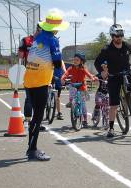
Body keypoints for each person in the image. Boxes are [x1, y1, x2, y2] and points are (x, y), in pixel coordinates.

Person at [24, 12, 69, 161]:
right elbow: (57, 62)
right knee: (38, 116)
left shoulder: (38, 38)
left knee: (36, 116)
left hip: (29, 80)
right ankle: (32, 149)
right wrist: (62, 76)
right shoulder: (52, 40)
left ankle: (32, 147)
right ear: (55, 28)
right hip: (40, 82)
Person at [94, 24, 131, 138]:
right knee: (114, 104)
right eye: (117, 35)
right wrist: (102, 71)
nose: (119, 37)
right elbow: (97, 62)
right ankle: (112, 128)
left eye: (121, 35)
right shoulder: (107, 49)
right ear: (112, 36)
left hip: (127, 73)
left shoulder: (127, 46)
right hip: (113, 76)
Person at [61, 53, 97, 128]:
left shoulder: (83, 68)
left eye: (77, 60)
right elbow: (66, 74)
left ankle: (85, 121)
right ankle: (72, 103)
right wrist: (63, 78)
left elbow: (88, 74)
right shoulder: (71, 68)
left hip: (82, 88)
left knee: (83, 105)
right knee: (72, 98)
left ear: (81, 61)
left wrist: (92, 78)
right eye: (74, 60)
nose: (75, 61)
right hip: (73, 86)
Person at [18, 24, 44, 130]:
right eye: (43, 31)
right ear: (38, 29)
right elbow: (20, 57)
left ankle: (38, 121)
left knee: (40, 99)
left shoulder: (44, 42)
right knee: (30, 98)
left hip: (42, 74)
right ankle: (28, 119)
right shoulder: (26, 40)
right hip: (28, 73)